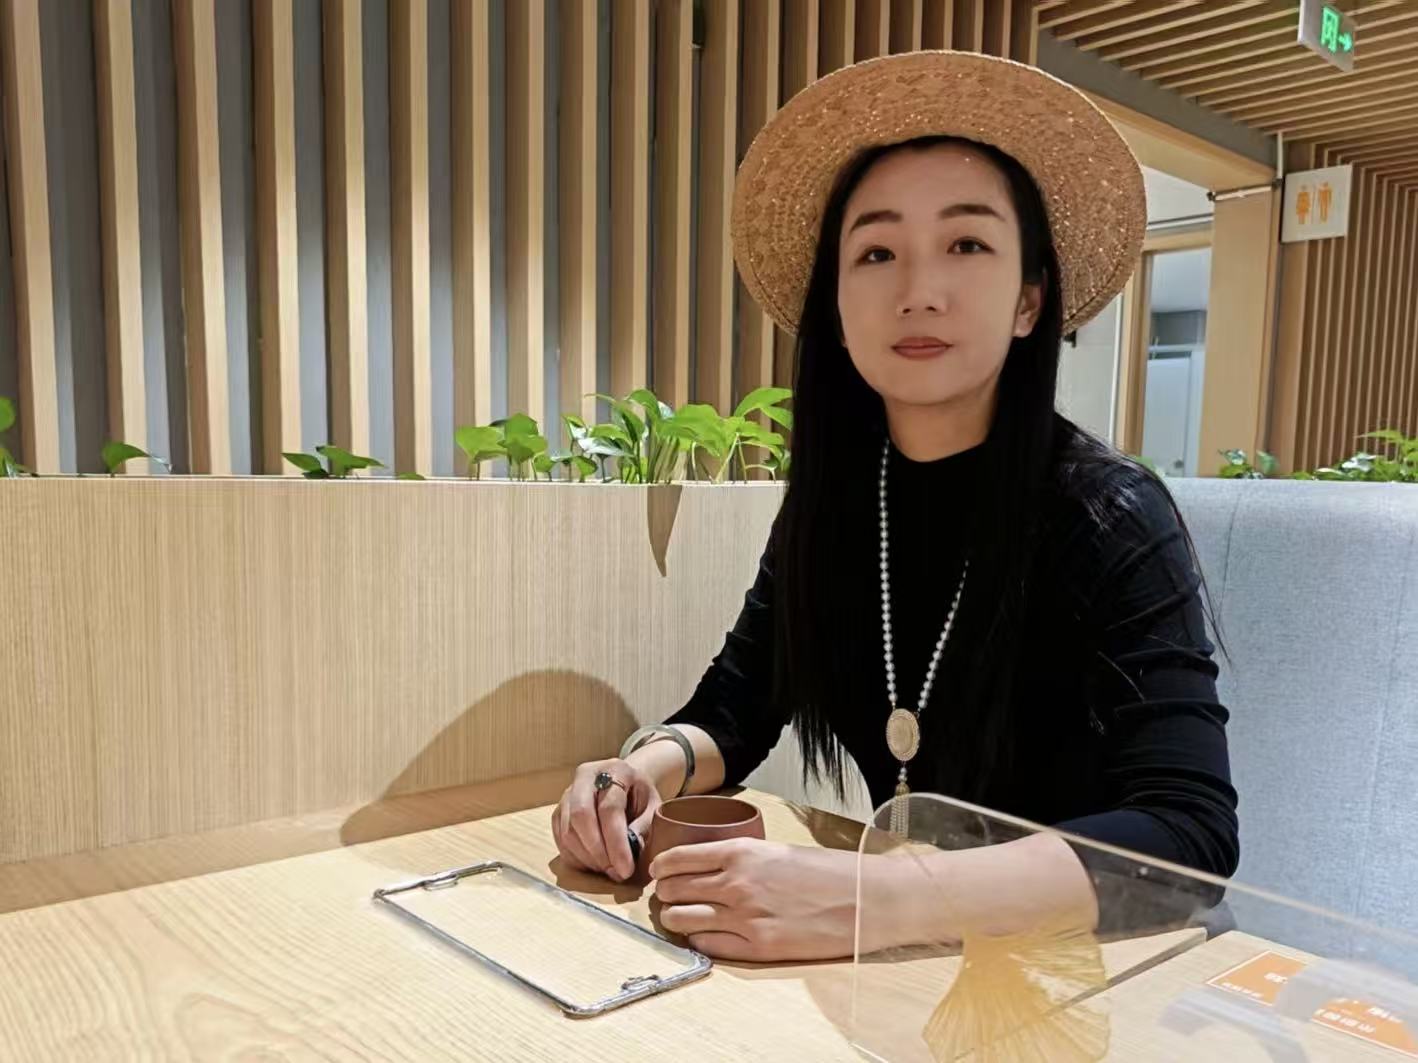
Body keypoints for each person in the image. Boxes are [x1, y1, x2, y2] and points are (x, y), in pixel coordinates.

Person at [551, 50, 1239, 962]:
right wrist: (641, 769)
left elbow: (1187, 839)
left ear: (1030, 299)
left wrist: (871, 898)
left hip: (1095, 967)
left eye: (967, 244)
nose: (919, 290)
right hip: (909, 969)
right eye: (876, 252)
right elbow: (736, 706)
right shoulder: (837, 504)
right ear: (837, 307)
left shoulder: (1109, 512)